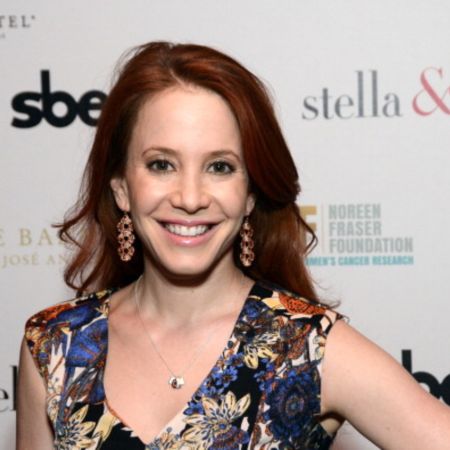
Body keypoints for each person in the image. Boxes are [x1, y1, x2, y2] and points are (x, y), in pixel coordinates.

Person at [17, 41, 450, 450]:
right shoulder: (56, 344)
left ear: (249, 195)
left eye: (220, 167)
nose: (190, 198)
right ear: (121, 188)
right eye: (161, 164)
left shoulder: (305, 347)